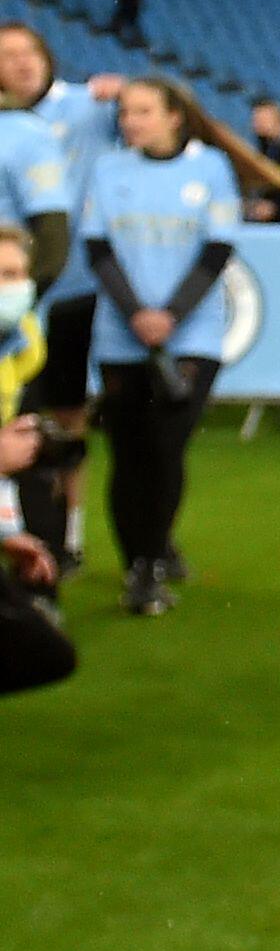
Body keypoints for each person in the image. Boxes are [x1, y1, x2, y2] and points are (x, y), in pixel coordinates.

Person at [84, 78, 239, 615]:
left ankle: (149, 565)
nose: (132, 121)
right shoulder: (108, 170)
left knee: (165, 445)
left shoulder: (210, 168)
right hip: (120, 335)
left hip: (192, 334)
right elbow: (98, 248)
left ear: (175, 116)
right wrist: (137, 315)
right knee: (129, 454)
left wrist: (171, 315)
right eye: (127, 112)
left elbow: (218, 248)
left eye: (144, 111)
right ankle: (139, 563)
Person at [0, 21, 116, 562]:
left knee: (58, 421)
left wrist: (123, 93)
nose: (21, 63)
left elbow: (51, 231)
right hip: (26, 301)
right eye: (8, 55)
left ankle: (63, 535)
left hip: (62, 298)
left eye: (29, 52)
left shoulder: (77, 111)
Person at [0, 225, 76, 695]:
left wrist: (7, 535)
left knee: (45, 654)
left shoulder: (20, 344)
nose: (19, 287)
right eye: (4, 274)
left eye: (21, 274)